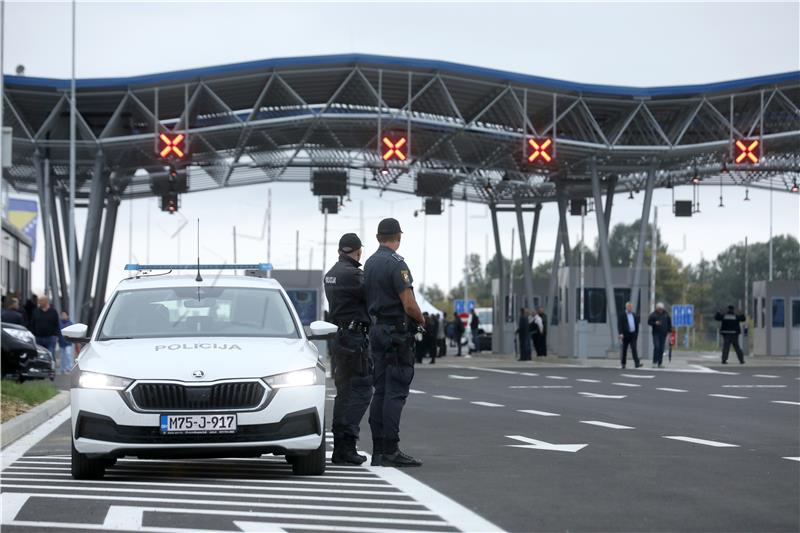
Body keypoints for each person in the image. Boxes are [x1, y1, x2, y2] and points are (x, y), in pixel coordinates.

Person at [364, 218, 424, 467]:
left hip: (376, 330)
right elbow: (408, 303)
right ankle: (391, 448)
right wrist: (421, 320)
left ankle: (378, 448)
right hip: (396, 334)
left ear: (378, 237)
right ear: (398, 237)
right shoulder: (396, 264)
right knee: (396, 391)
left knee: (380, 390)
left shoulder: (369, 263)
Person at [323, 233, 374, 465]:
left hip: (338, 337)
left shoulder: (331, 274)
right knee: (361, 390)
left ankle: (340, 448)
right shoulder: (355, 275)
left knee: (344, 392)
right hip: (354, 337)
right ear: (358, 251)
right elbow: (373, 297)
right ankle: (347, 446)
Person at [617, 302, 643, 369]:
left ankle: (637, 363)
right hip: (625, 335)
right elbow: (619, 324)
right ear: (626, 307)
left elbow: (637, 324)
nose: (630, 308)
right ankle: (623, 363)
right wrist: (620, 333)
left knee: (634, 348)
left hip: (633, 334)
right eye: (629, 307)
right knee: (624, 349)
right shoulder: (622, 315)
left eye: (631, 307)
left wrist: (636, 333)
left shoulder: (634, 315)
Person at [647, 302, 672, 368]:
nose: (661, 310)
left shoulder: (666, 314)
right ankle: (655, 362)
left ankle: (660, 363)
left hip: (663, 334)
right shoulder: (653, 314)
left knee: (661, 348)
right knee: (657, 347)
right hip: (656, 333)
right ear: (657, 308)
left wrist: (669, 331)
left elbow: (669, 323)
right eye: (659, 309)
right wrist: (655, 323)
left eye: (662, 309)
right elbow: (649, 322)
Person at [58, 310, 75, 375]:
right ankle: (62, 369)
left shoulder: (70, 323)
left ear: (67, 316)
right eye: (62, 315)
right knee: (62, 356)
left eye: (64, 315)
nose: (63, 316)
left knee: (68, 354)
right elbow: (58, 332)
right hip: (61, 342)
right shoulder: (59, 323)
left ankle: (69, 367)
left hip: (68, 342)